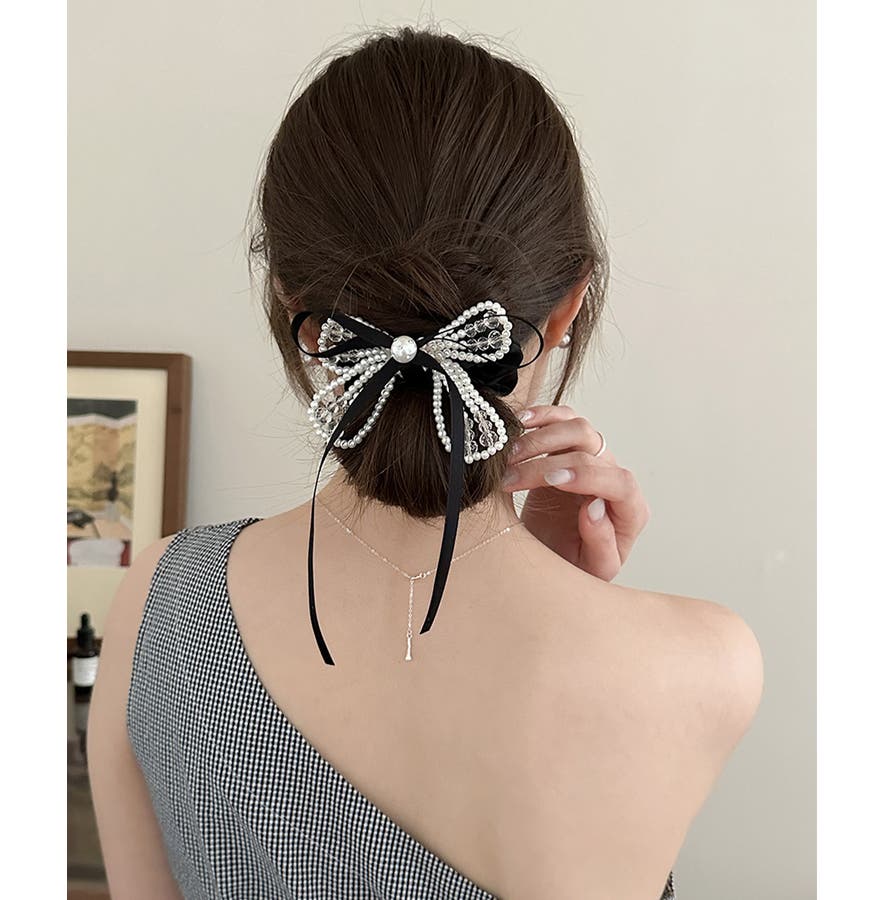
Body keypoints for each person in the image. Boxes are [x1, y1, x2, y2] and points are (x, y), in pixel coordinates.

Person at [87, 26, 763, 900]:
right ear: (567, 309)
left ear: (298, 309)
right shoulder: (703, 664)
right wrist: (570, 604)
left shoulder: (159, 602)